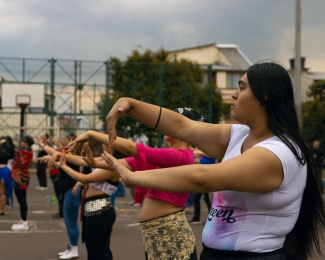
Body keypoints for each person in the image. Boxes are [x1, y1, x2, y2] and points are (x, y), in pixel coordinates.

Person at [104, 61, 325, 260]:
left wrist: (135, 177)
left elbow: (203, 178)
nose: (234, 94)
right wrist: (130, 104)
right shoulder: (239, 134)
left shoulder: (278, 152)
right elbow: (183, 126)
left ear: (264, 95)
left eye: (242, 87)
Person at [68, 108, 206, 260]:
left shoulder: (182, 156)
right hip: (157, 234)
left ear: (183, 129)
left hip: (170, 236)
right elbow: (126, 162)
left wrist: (92, 134)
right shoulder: (168, 157)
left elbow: (133, 149)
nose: (167, 126)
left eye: (173, 123)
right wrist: (94, 162)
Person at [49, 136, 119, 260]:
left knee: (99, 252)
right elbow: (79, 160)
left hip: (101, 211)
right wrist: (58, 154)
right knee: (93, 250)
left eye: (107, 143)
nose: (104, 145)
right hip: (93, 210)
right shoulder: (104, 160)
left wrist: (64, 165)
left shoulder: (114, 165)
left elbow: (85, 178)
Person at [42, 142, 82, 259]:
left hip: (72, 192)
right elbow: (58, 164)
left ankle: (74, 249)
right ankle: (71, 247)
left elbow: (55, 154)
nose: (59, 147)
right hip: (67, 192)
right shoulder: (66, 156)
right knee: (68, 222)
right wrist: (49, 159)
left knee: (71, 223)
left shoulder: (72, 157)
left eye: (61, 145)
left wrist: (42, 145)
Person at [11, 135, 34, 231]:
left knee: (22, 200)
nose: (21, 143)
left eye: (23, 141)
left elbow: (19, 162)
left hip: (21, 178)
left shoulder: (26, 152)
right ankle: (22, 219)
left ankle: (24, 221)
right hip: (17, 177)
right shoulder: (23, 151)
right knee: (20, 200)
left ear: (27, 143)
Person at [189, 149, 215, 224]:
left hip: (208, 176)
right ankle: (199, 217)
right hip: (204, 176)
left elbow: (210, 154)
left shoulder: (211, 151)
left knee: (202, 198)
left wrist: (197, 152)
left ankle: (200, 218)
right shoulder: (205, 151)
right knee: (204, 198)